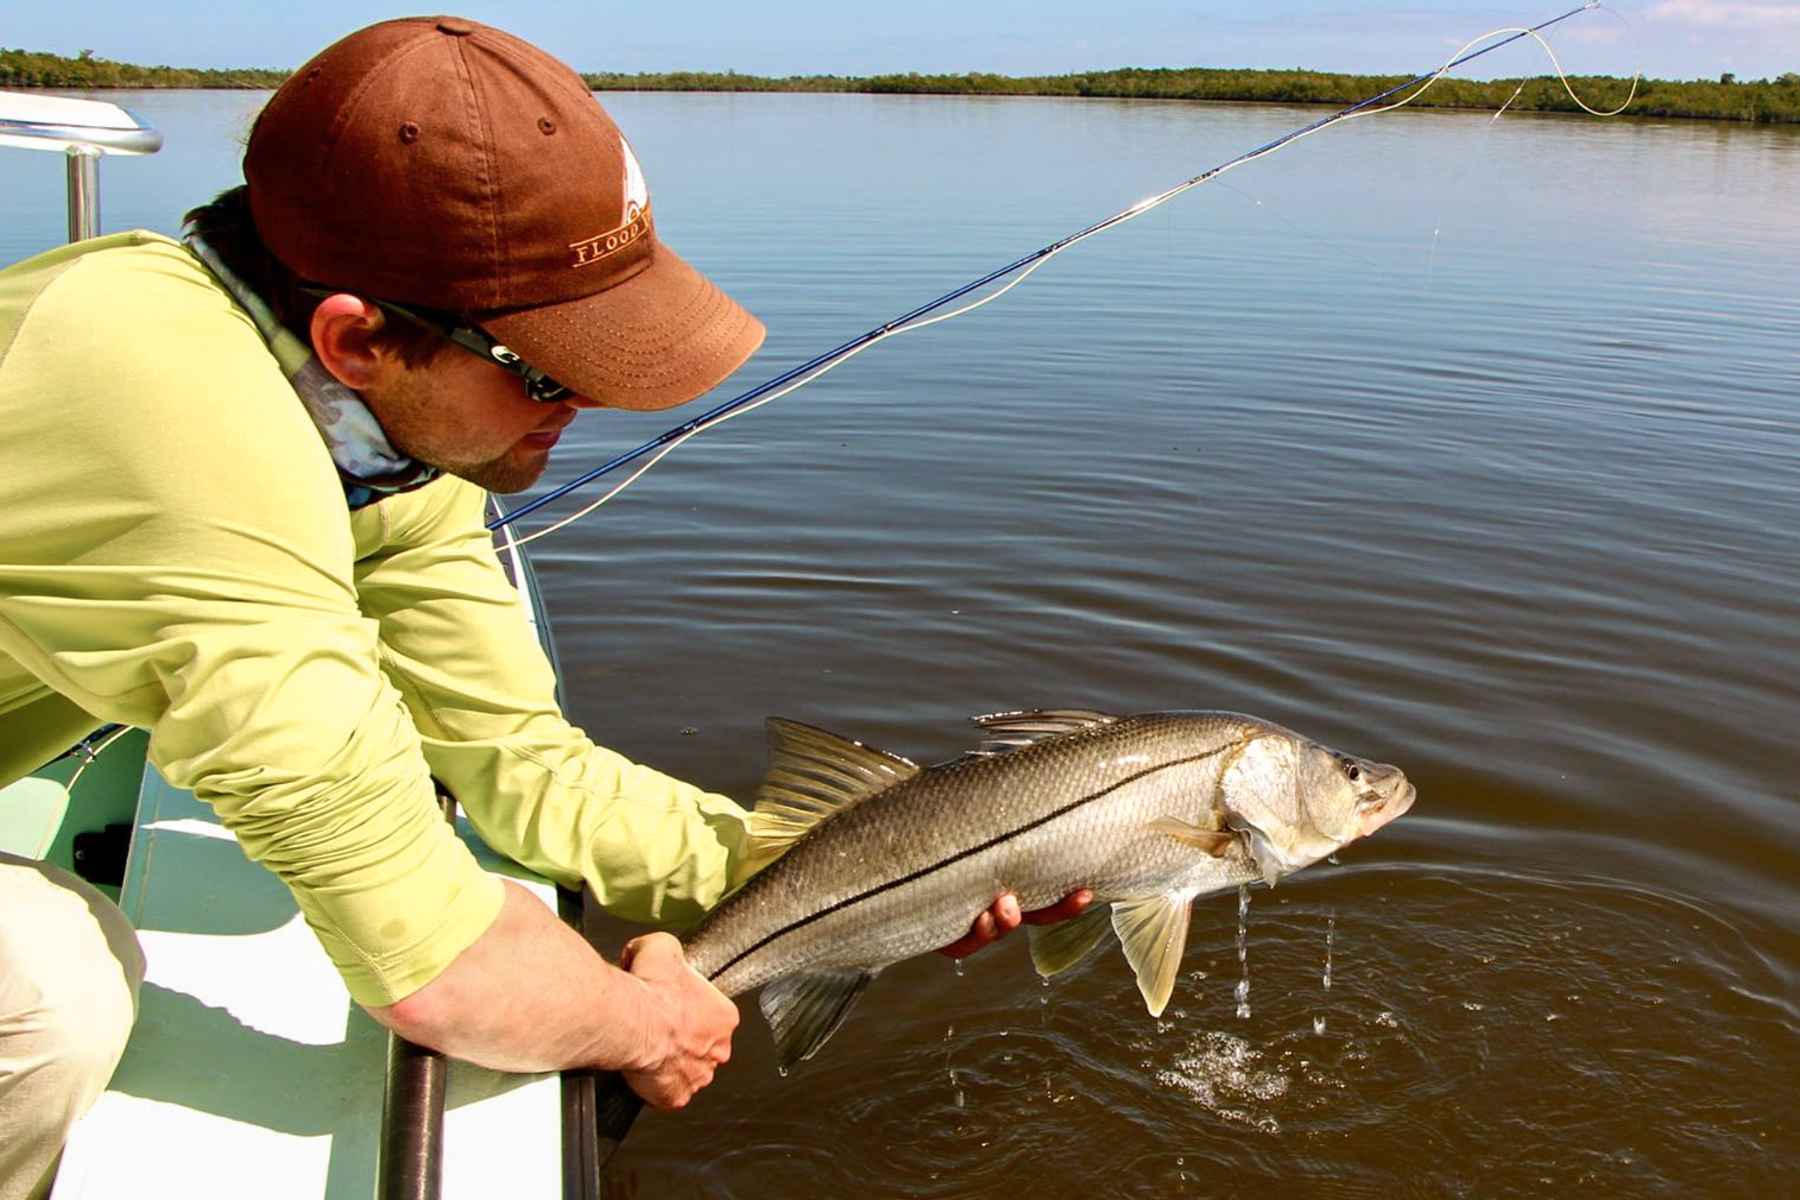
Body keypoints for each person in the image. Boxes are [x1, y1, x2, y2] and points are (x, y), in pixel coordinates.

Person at [0, 17, 1086, 1198]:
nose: (591, 404)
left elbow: (522, 765)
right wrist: (639, 1025)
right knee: (55, 988)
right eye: (548, 369)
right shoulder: (172, 428)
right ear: (356, 337)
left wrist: (873, 867)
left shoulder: (380, 446)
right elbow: (432, 959)